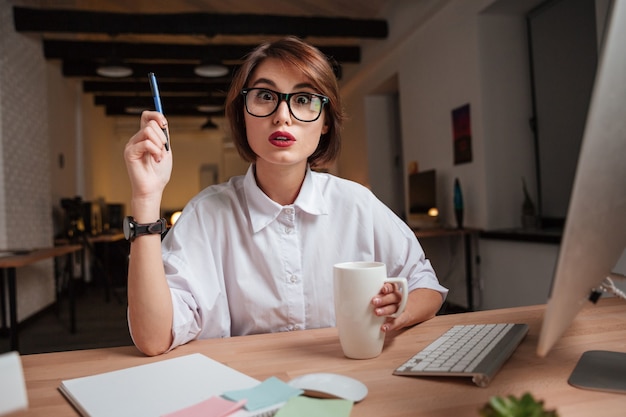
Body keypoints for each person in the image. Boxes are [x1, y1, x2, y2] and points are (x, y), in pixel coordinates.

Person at [123, 36, 448, 356]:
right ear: (243, 113)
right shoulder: (207, 215)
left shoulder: (356, 204)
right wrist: (146, 198)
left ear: (325, 122)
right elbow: (153, 338)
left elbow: (427, 286)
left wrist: (398, 310)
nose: (283, 115)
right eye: (265, 95)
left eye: (304, 99)